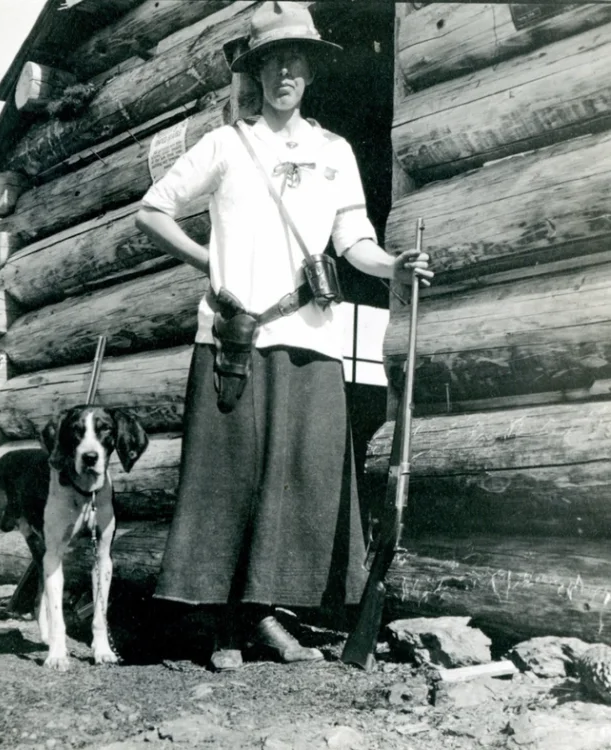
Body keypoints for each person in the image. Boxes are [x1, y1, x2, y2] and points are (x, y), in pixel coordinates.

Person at [135, 1, 433, 671]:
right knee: (229, 480)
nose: (284, 75)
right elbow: (151, 212)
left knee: (299, 477)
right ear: (257, 73)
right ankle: (222, 627)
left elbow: (353, 240)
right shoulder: (226, 145)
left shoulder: (335, 153)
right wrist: (208, 263)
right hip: (235, 341)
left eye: (295, 63)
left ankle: (267, 614)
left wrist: (394, 267)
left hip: (312, 337)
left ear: (311, 73)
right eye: (271, 64)